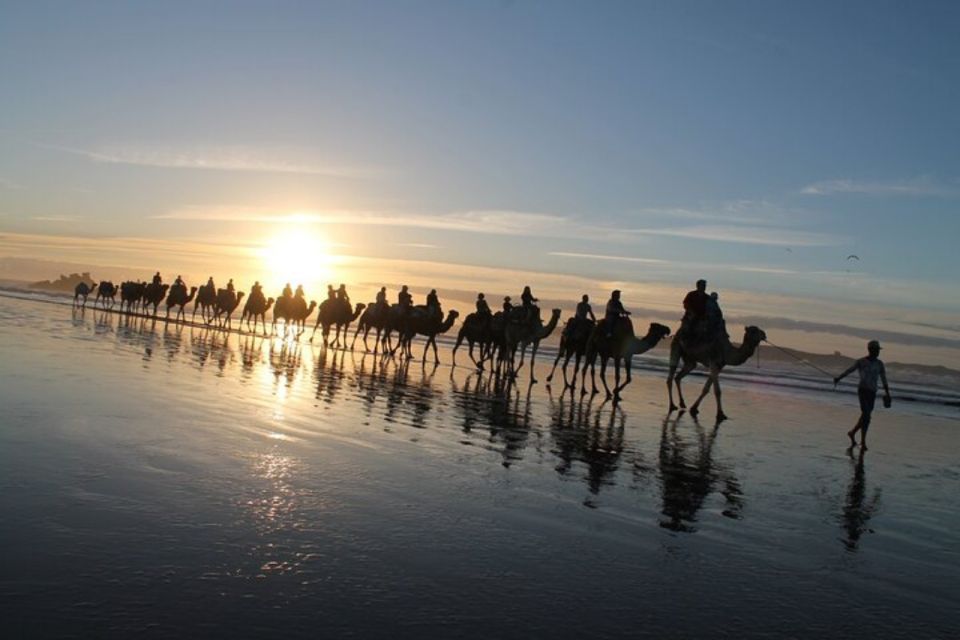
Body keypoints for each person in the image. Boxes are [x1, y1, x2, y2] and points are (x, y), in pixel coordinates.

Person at [834, 340, 891, 451]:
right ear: (871, 350)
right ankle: (863, 442)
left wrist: (887, 393)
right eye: (877, 350)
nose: (878, 352)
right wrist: (839, 378)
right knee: (866, 414)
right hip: (863, 391)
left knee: (866, 417)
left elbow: (884, 379)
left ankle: (852, 433)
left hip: (873, 392)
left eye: (879, 350)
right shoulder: (861, 362)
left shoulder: (880, 364)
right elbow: (849, 370)